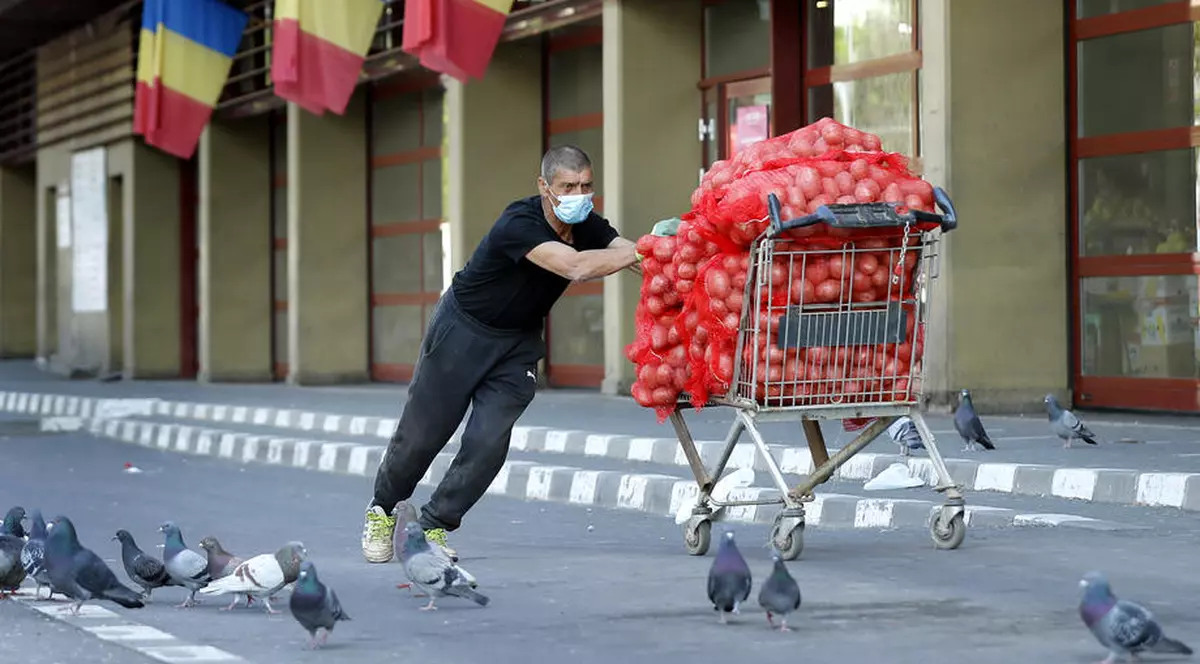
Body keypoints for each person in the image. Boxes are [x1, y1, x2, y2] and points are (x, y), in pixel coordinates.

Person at [361, 144, 642, 563]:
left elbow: (626, 249)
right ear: (544, 186)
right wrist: (645, 251)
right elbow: (577, 267)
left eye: (586, 185)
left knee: (489, 441)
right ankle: (382, 510)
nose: (578, 195)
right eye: (568, 186)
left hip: (517, 345)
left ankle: (433, 525)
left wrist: (675, 250)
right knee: (423, 435)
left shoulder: (587, 224)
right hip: (463, 329)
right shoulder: (519, 222)